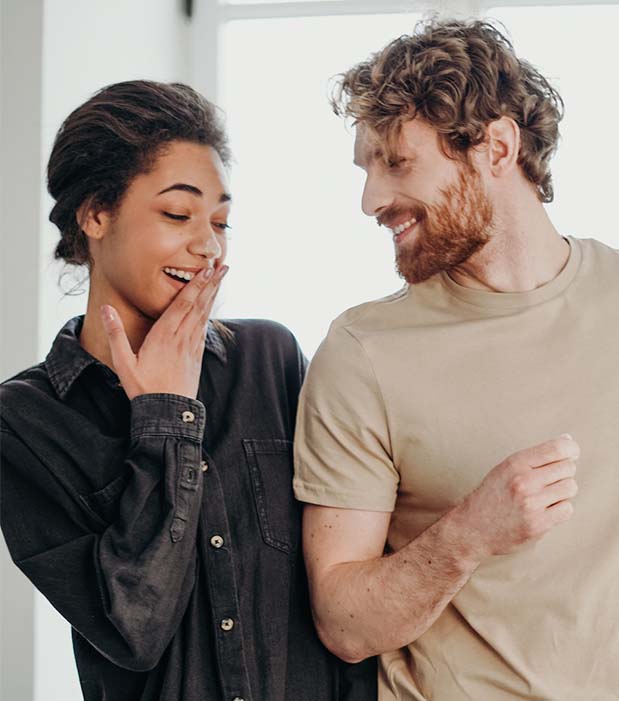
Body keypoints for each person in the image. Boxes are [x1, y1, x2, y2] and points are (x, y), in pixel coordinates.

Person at [292, 19, 619, 701]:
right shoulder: (360, 353)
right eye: (365, 169)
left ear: (495, 147)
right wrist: (467, 534)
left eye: (396, 164)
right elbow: (343, 622)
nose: (371, 199)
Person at [0, 80, 374, 701]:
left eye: (221, 221)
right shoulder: (25, 422)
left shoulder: (270, 360)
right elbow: (133, 630)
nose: (208, 246)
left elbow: (346, 591)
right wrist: (165, 418)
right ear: (96, 214)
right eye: (178, 214)